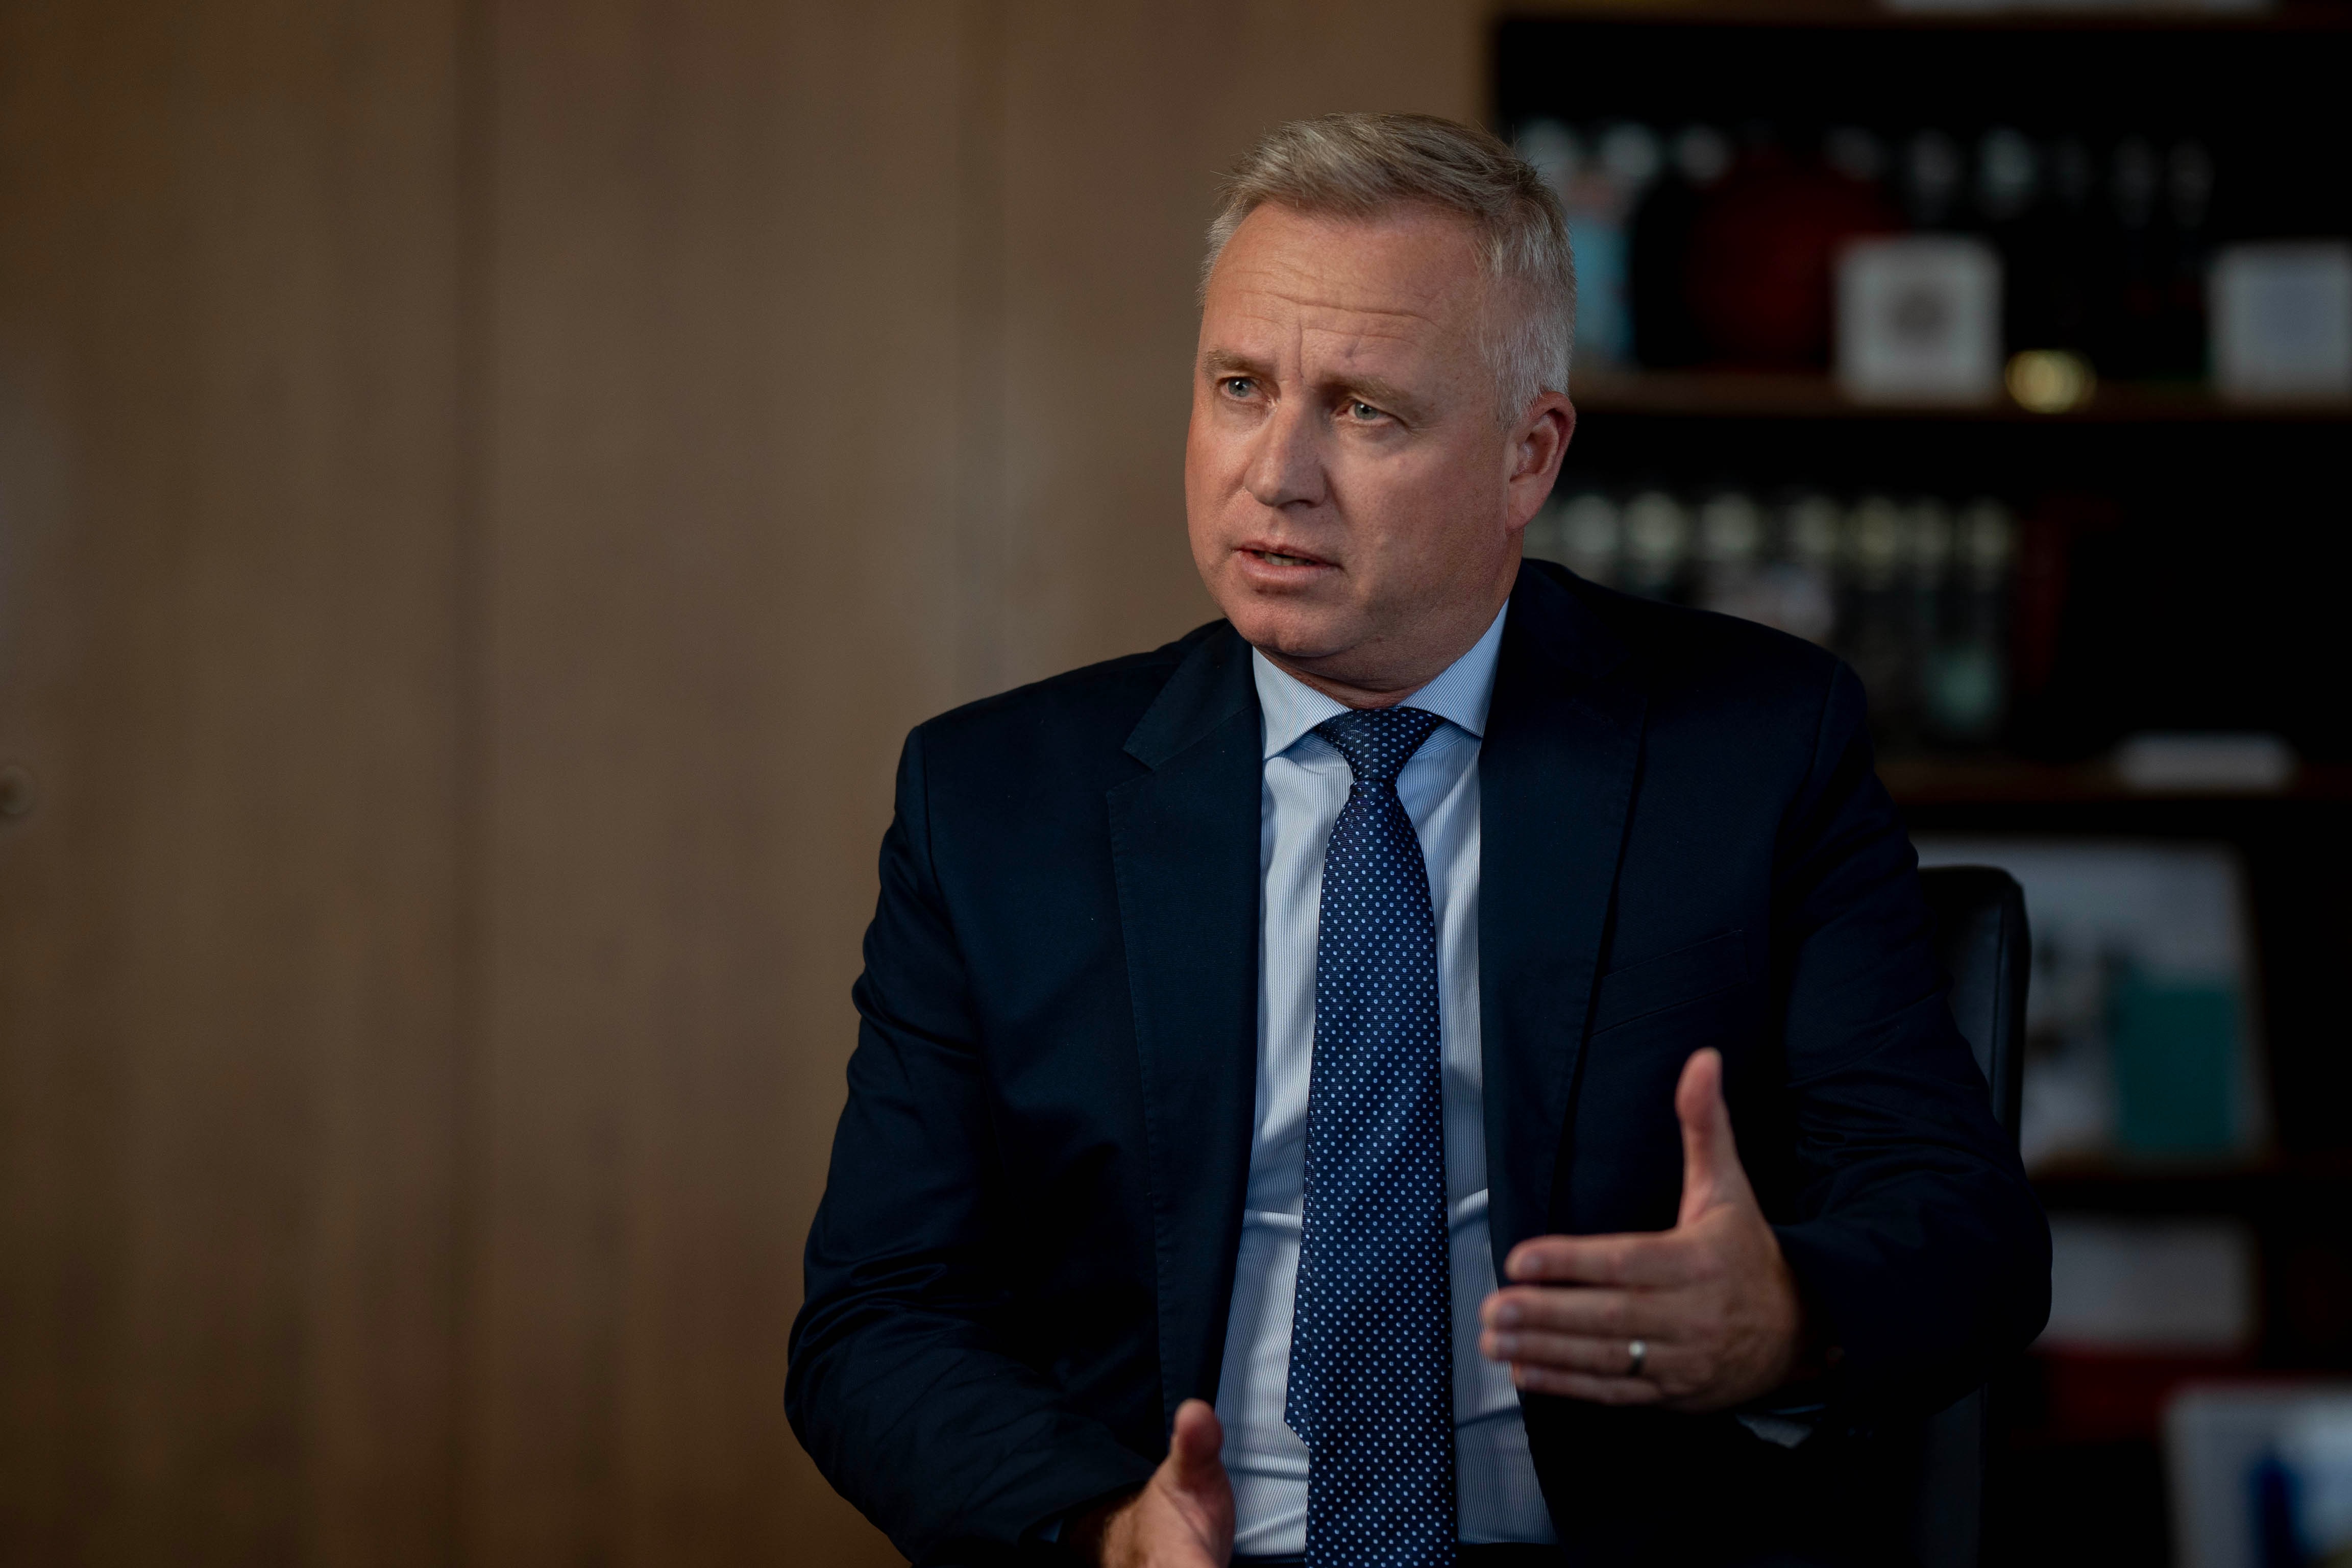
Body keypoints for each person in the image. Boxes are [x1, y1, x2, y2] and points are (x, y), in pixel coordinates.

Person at [787, 113, 2048, 1568]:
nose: (1277, 472)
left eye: (1367, 411)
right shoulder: (997, 801)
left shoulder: (1753, 751)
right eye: (1241, 387)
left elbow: (1965, 1232)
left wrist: (1783, 1316)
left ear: (1530, 456)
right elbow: (879, 1318)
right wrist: (1106, 1530)